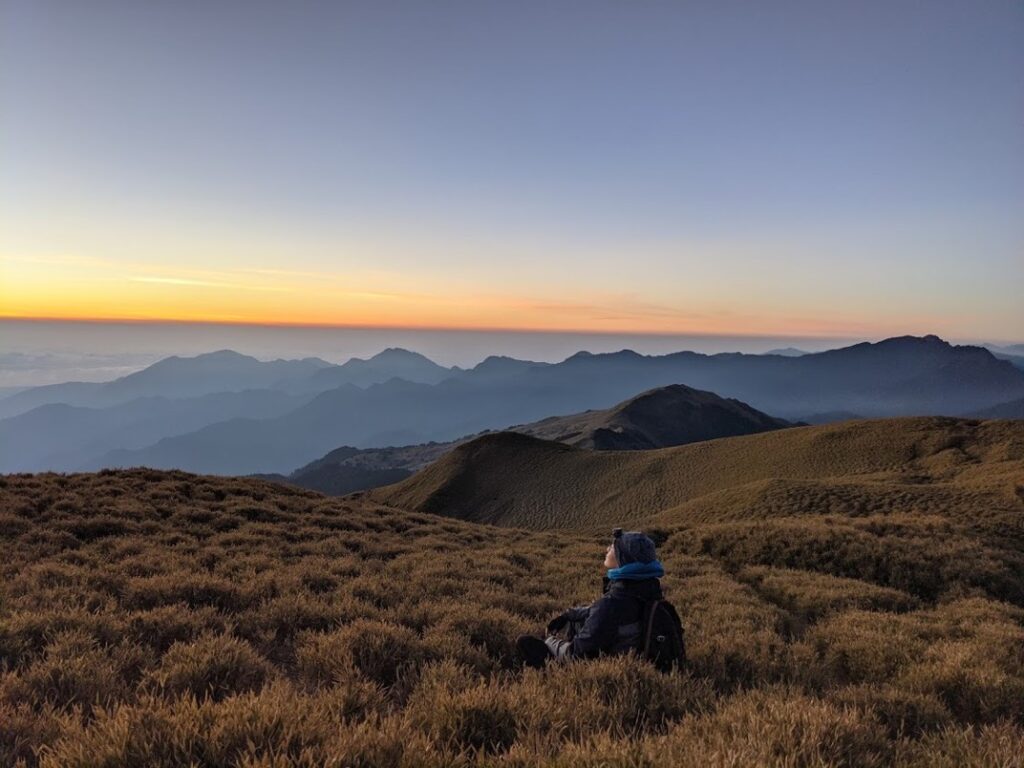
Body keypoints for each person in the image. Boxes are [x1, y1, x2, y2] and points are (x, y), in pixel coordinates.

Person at [517, 528, 666, 668]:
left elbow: (575, 654)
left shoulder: (611, 605)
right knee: (577, 619)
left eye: (614, 547)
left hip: (608, 670)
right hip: (634, 660)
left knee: (525, 643)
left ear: (623, 559)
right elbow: (603, 613)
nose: (608, 549)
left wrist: (549, 640)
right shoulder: (646, 591)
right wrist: (569, 614)